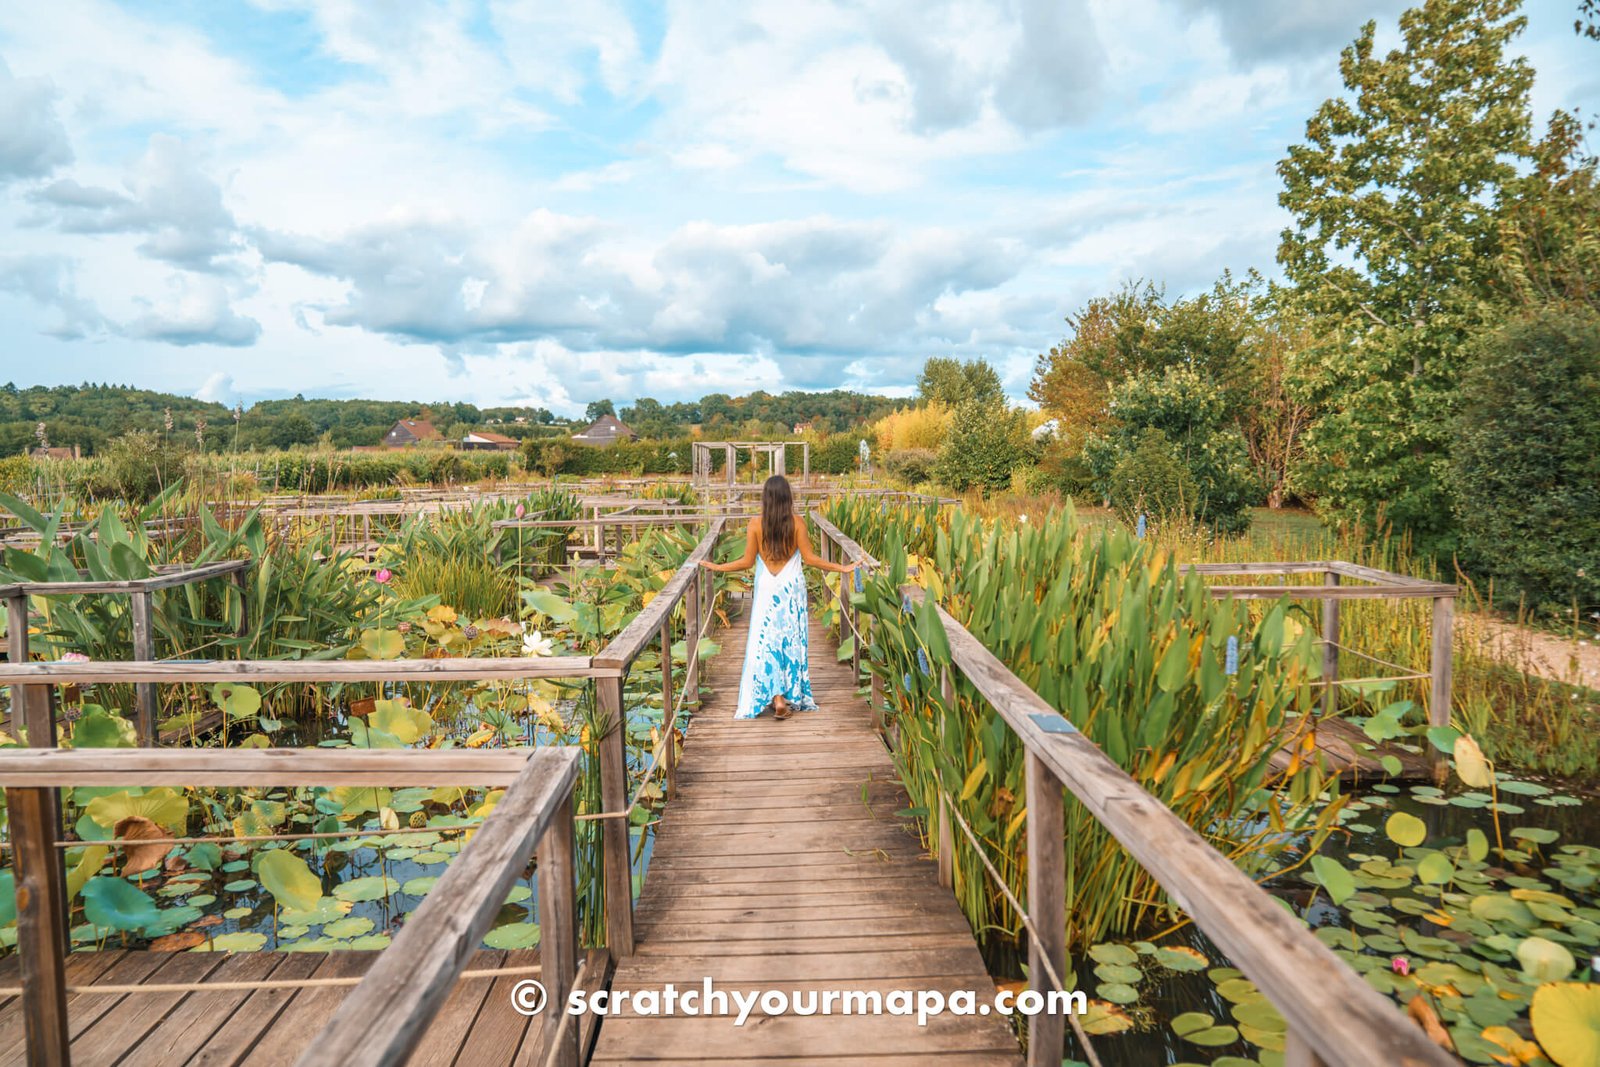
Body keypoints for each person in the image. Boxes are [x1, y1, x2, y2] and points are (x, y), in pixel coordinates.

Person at [699, 474, 860, 720]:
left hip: (766, 587)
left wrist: (717, 567)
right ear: (788, 497)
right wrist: (843, 568)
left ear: (766, 498)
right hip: (790, 585)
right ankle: (784, 696)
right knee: (790, 639)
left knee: (766, 640)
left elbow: (746, 561)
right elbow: (810, 559)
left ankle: (775, 697)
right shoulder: (797, 523)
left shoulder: (755, 524)